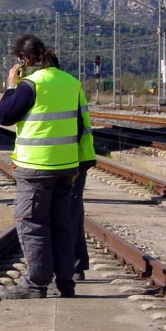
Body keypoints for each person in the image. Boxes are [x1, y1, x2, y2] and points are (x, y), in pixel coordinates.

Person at [0, 34, 84, 299]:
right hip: (66, 165)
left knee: (33, 225)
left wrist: (12, 86)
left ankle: (36, 284)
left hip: (35, 166)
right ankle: (66, 283)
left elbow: (4, 116)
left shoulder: (31, 85)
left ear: (23, 61)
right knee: (62, 226)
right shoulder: (71, 82)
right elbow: (79, 124)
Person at [72, 95, 96, 281]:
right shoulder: (73, 85)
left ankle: (72, 266)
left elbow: (6, 115)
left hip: (67, 160)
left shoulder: (40, 84)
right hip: (79, 157)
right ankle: (75, 266)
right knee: (73, 212)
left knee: (66, 214)